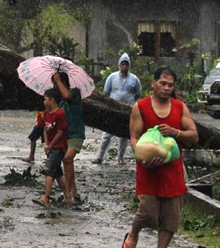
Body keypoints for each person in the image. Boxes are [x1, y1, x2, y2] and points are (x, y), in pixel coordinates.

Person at [123, 67, 198, 248]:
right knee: (148, 212)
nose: (166, 88)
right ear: (153, 83)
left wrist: (176, 132)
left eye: (170, 85)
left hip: (172, 170)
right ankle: (133, 233)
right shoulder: (140, 107)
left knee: (170, 219)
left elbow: (194, 135)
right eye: (163, 83)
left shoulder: (180, 107)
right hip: (148, 168)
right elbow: (134, 137)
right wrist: (141, 158)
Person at [92, 53, 142, 165]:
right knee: (107, 134)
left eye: (126, 65)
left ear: (129, 66)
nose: (124, 67)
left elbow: (138, 94)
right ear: (119, 65)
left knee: (124, 135)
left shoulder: (134, 79)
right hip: (113, 110)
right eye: (122, 64)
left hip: (127, 111)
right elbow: (106, 92)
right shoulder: (112, 77)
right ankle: (100, 157)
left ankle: (120, 158)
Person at [33, 89, 72, 206]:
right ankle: (68, 196)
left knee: (50, 171)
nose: (44, 102)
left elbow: (60, 133)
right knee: (58, 172)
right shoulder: (46, 113)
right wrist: (46, 144)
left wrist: (50, 145)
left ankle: (45, 197)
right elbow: (44, 128)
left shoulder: (60, 114)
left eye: (45, 99)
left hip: (59, 147)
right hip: (50, 146)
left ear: (52, 100)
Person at [53, 71, 85, 201]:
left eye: (56, 83)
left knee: (67, 159)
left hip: (76, 133)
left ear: (63, 82)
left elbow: (67, 95)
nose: (55, 86)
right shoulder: (60, 102)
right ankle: (73, 191)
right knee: (68, 162)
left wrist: (58, 80)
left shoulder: (75, 92)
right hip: (66, 135)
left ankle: (68, 191)